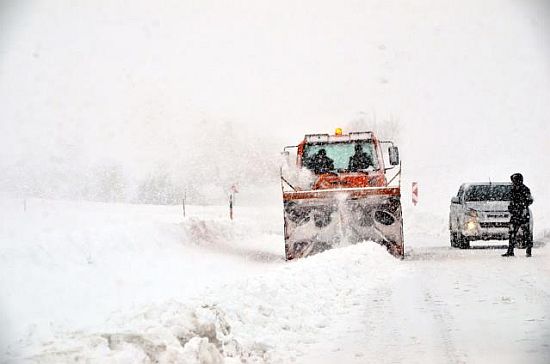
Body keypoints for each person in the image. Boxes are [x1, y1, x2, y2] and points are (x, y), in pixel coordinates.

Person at [502, 173, 534, 257]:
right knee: (512, 233)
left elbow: (530, 200)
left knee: (526, 233)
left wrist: (522, 205)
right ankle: (510, 251)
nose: (513, 182)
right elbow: (511, 200)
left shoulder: (525, 189)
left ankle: (528, 251)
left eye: (514, 180)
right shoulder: (513, 189)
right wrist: (511, 206)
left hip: (523, 214)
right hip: (515, 214)